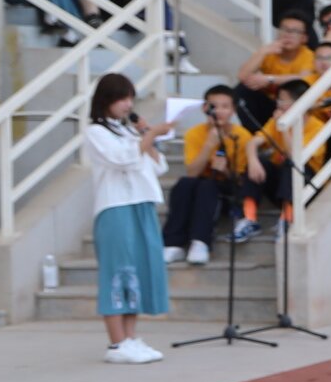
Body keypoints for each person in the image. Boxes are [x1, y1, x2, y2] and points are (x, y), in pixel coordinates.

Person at [80, 73, 170, 364]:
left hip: (140, 202)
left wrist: (147, 135)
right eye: (121, 98)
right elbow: (122, 160)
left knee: (139, 270)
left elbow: (158, 167)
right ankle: (116, 342)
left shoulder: (129, 132)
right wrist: (149, 136)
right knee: (118, 271)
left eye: (130, 98)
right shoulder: (96, 132)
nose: (127, 104)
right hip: (115, 206)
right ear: (106, 101)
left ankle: (130, 338)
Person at [162, 85, 266, 264]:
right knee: (184, 184)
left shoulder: (241, 136)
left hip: (227, 192)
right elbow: (192, 172)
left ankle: (200, 241)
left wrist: (225, 170)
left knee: (208, 187)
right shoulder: (195, 134)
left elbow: (242, 181)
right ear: (205, 108)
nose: (219, 111)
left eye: (225, 107)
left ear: (233, 110)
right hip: (200, 184)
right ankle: (173, 244)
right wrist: (209, 146)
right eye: (214, 106)